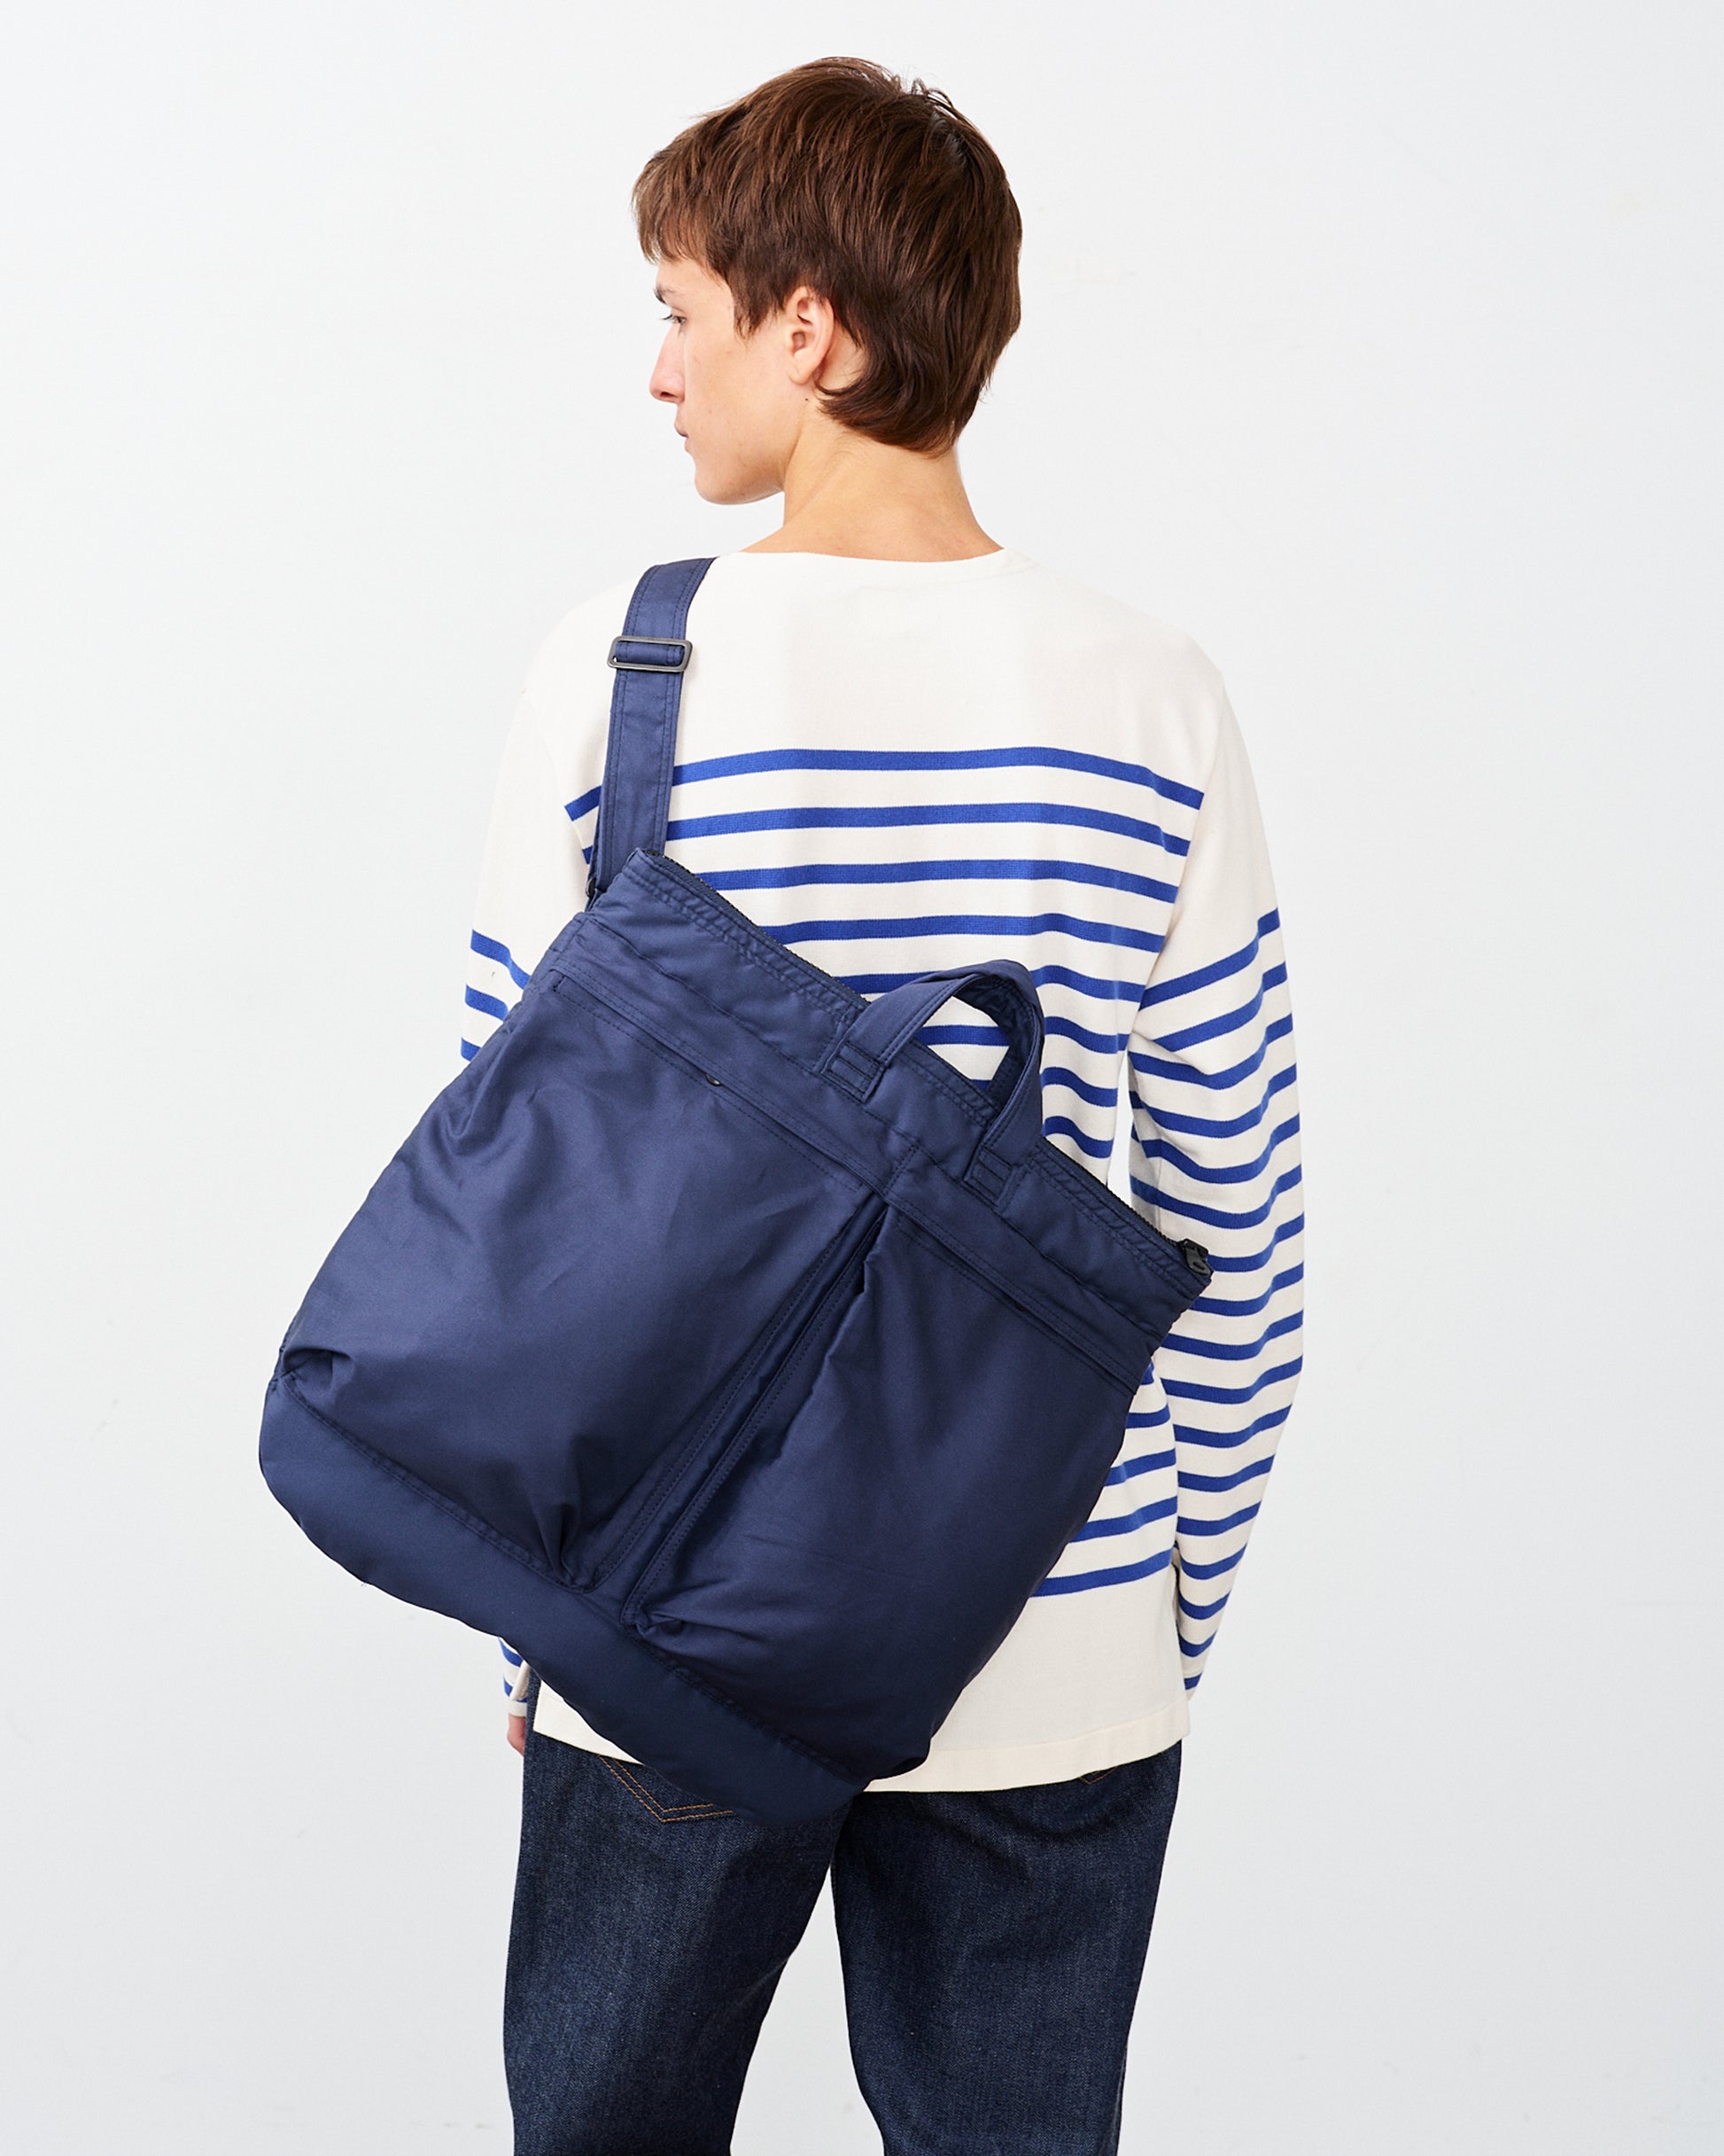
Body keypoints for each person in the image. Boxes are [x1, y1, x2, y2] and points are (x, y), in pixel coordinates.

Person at [461, 56, 1303, 2156]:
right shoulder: (1151, 691)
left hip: (668, 1608)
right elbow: (1239, 1226)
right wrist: (1156, 1615)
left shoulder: (618, 669)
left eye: (682, 310)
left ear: (809, 328)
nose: (660, 371)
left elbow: (509, 1209)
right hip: (1056, 1618)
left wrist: (533, 1612)